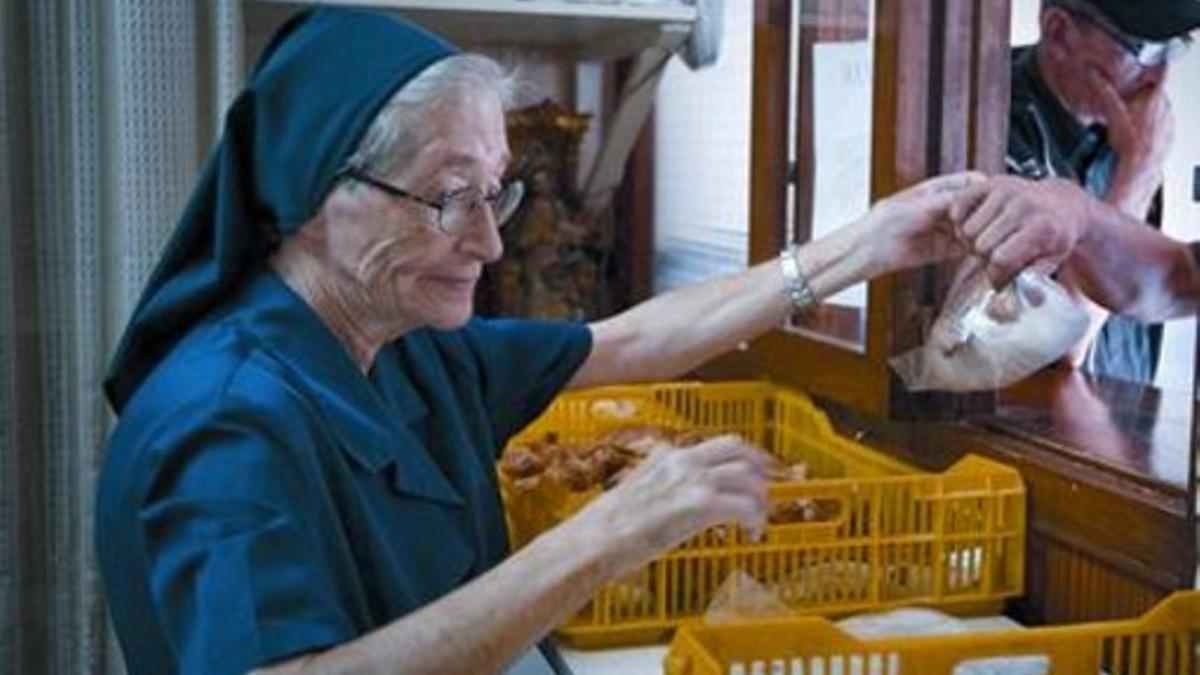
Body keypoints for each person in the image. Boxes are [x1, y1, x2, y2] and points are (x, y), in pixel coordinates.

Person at [95, 9, 979, 675]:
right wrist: (605, 536)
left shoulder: (400, 343)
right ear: (321, 196)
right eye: (451, 197)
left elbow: (628, 340)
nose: (487, 243)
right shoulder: (225, 425)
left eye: (496, 193)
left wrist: (868, 244)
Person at [1006, 0, 1196, 382]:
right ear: (1059, 33)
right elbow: (1052, 348)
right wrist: (1139, 172)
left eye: (1175, 47)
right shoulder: (984, 122)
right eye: (1145, 50)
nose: (1158, 77)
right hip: (1017, 428)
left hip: (1115, 423)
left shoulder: (1126, 127)